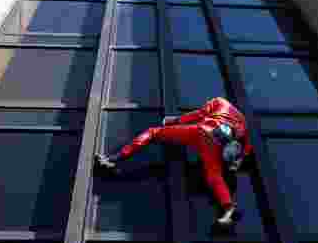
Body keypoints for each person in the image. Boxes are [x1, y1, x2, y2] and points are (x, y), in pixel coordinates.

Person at [95, 96, 253, 226]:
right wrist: (238, 161)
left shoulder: (219, 101)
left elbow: (199, 114)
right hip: (216, 148)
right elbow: (247, 146)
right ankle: (228, 209)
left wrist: (175, 120)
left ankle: (115, 158)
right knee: (214, 177)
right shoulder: (243, 122)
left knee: (153, 132)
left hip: (202, 132)